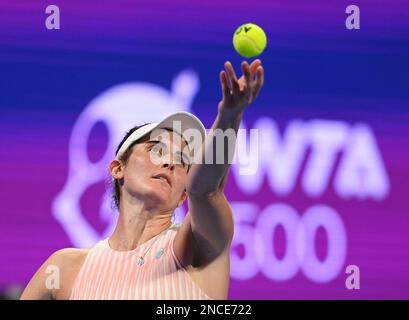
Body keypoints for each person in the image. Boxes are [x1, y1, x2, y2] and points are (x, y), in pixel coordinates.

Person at [20, 59, 264, 300]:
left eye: (181, 161)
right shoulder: (64, 269)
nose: (170, 163)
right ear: (117, 168)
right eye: (157, 150)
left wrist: (229, 116)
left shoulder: (196, 246)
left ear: (183, 196)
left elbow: (206, 190)